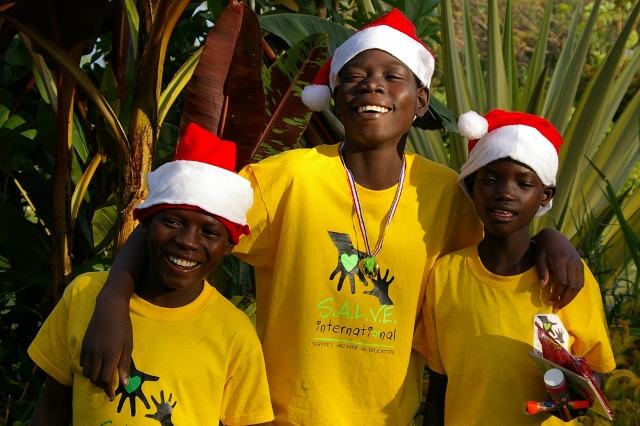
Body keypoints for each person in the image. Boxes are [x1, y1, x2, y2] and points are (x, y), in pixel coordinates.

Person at [80, 10, 585, 425]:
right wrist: (111, 298)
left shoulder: (443, 193)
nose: (373, 87)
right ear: (335, 94)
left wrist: (551, 239)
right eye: (356, 76)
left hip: (389, 417)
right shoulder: (285, 178)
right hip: (282, 416)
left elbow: (501, 246)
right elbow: (176, 223)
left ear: (421, 101)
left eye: (393, 77)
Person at [28, 123, 274, 425]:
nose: (188, 241)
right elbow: (53, 408)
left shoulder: (234, 333)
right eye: (172, 222)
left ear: (228, 246)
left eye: (210, 231)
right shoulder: (84, 296)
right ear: (145, 224)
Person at [422, 110, 616, 425]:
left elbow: (596, 373)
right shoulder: (446, 274)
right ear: (471, 186)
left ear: (545, 196)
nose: (505, 192)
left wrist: (577, 399)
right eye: (490, 179)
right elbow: (439, 382)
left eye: (524, 183)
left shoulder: (567, 279)